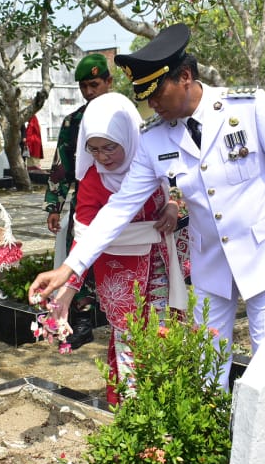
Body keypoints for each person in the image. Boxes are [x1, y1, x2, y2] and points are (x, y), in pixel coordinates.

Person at [29, 23, 265, 385]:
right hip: (210, 258)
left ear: (184, 77)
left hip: (263, 249)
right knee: (208, 360)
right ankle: (215, 435)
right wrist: (69, 268)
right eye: (144, 96)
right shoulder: (154, 139)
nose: (151, 104)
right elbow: (118, 209)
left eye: (156, 93)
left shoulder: (247, 106)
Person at [50, 92, 186, 404]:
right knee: (129, 335)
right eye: (94, 149)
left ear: (129, 137)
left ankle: (164, 401)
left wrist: (172, 205)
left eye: (110, 147)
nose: (103, 156)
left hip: (158, 262)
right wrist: (67, 291)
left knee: (163, 330)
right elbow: (83, 236)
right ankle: (132, 407)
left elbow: (178, 185)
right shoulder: (92, 180)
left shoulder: (149, 158)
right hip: (117, 268)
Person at [42, 53, 114, 349]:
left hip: (124, 202)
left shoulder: (123, 114)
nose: (89, 92)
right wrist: (54, 205)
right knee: (80, 258)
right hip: (86, 203)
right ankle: (83, 323)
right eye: (84, 86)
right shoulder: (74, 122)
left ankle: (123, 316)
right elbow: (61, 165)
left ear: (109, 82)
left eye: (94, 84)